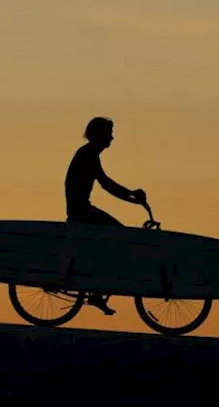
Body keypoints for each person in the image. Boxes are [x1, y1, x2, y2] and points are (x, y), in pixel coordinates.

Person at [64, 116, 147, 315]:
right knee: (119, 235)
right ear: (100, 135)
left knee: (107, 242)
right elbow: (106, 184)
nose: (112, 138)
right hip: (81, 211)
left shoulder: (89, 153)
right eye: (109, 133)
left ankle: (96, 290)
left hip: (81, 209)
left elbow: (105, 182)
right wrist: (132, 196)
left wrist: (131, 196)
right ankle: (96, 292)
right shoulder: (88, 155)